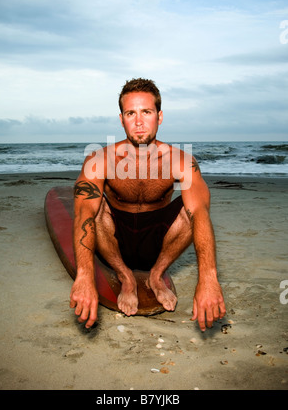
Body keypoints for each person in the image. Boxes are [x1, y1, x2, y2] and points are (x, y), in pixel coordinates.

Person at [70, 78, 226, 332]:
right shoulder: (100, 159)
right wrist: (85, 276)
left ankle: (156, 274)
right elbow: (82, 213)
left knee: (194, 211)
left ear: (159, 116)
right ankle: (125, 276)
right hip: (113, 242)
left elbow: (199, 212)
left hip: (159, 242)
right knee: (92, 208)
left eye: (147, 112)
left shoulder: (180, 160)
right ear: (122, 119)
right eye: (131, 113)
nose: (139, 122)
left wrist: (208, 279)